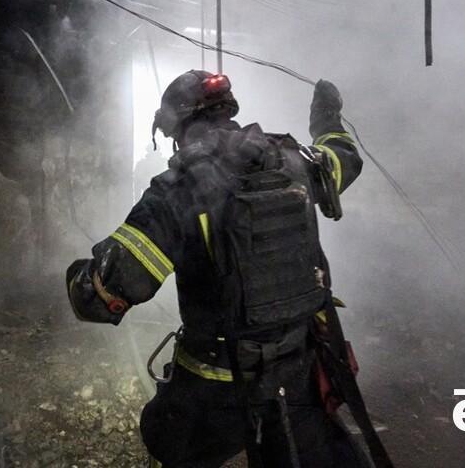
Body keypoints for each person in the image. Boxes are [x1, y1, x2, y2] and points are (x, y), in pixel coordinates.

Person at [66, 70, 377, 468]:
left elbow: (99, 299)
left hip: (216, 386)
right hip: (297, 373)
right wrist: (326, 118)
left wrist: (81, 277)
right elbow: (344, 158)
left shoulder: (176, 191)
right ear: (227, 110)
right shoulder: (295, 161)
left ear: (176, 127)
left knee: (164, 438)